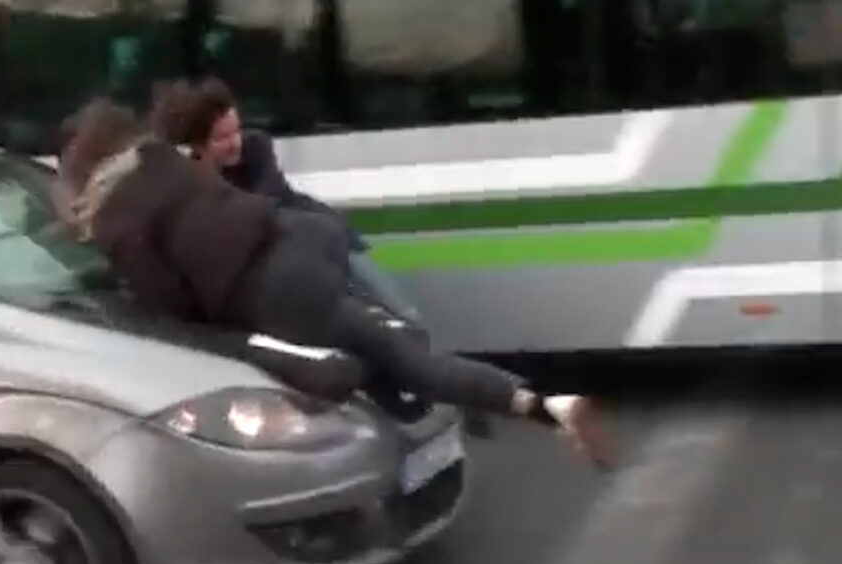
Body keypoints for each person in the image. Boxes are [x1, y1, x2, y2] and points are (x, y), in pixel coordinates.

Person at [58, 98, 613, 469]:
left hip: (269, 290)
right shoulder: (163, 159)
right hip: (302, 241)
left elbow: (169, 306)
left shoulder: (116, 222)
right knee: (402, 356)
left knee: (345, 371)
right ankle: (549, 406)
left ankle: (410, 433)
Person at [147, 77, 423, 323]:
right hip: (293, 272)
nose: (235, 143)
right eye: (222, 137)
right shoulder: (191, 181)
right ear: (196, 144)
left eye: (236, 131)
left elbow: (267, 204)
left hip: (331, 241)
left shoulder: (256, 148)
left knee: (403, 316)